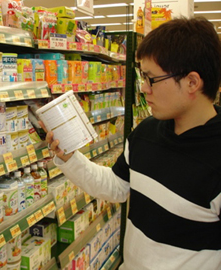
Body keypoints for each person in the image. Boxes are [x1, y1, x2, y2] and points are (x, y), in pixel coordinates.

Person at [41, 17, 221, 269]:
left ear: (192, 82)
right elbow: (116, 186)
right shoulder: (147, 132)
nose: (144, 88)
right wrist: (69, 156)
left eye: (151, 79)